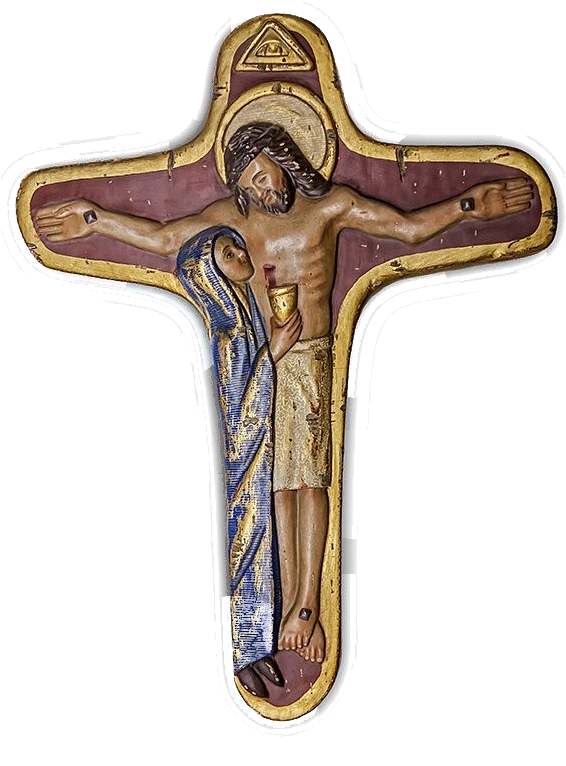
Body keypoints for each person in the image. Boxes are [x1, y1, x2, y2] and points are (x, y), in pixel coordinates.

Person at [34, 123, 534, 663]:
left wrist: (468, 205)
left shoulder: (331, 207)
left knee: (309, 478)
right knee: (277, 485)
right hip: (265, 361)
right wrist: (94, 218)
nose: (259, 190)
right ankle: (291, 602)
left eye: (262, 175)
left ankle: (307, 605)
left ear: (285, 159)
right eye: (247, 184)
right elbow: (165, 238)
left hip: (311, 359)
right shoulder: (234, 218)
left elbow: (408, 229)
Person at [176, 224, 302, 698]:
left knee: (262, 555)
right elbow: (240, 418)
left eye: (238, 247)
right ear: (212, 275)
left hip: (257, 462)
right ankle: (241, 653)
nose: (241, 255)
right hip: (239, 470)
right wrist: (274, 353)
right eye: (228, 254)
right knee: (244, 553)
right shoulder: (229, 336)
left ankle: (258, 646)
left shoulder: (246, 321)